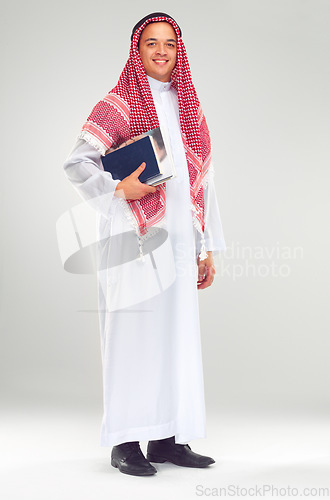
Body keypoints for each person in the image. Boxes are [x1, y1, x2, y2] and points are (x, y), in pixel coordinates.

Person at [63, 12, 226, 477]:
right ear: (138, 49)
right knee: (133, 335)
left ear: (179, 52)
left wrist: (207, 245)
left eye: (169, 44)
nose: (161, 51)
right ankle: (124, 442)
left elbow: (205, 183)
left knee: (174, 334)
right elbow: (77, 163)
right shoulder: (117, 104)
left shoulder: (189, 107)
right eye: (151, 43)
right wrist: (117, 190)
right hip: (130, 239)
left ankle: (166, 437)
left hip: (178, 241)